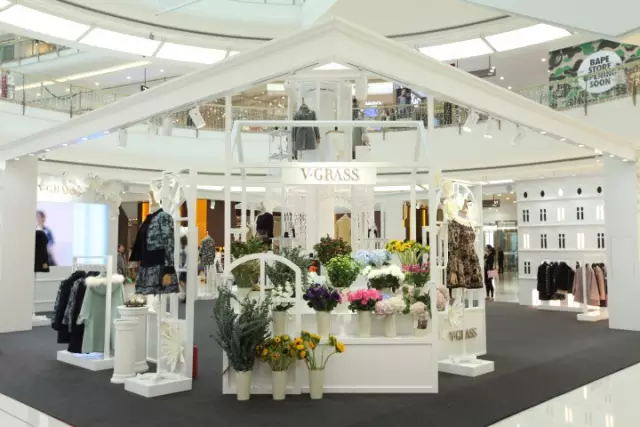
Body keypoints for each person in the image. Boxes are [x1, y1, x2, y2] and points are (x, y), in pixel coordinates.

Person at [179, 236, 188, 302]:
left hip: (185, 267)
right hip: (183, 266)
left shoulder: (186, 249)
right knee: (183, 281)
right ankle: (185, 295)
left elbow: (187, 258)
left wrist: (185, 266)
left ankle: (185, 295)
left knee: (181, 281)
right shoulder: (183, 248)